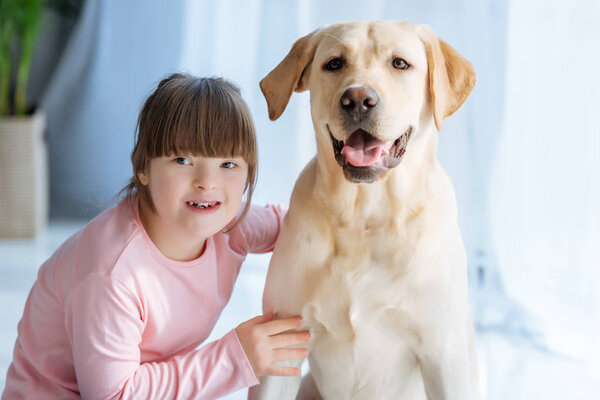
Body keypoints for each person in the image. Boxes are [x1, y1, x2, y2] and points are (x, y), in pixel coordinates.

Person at [2, 74, 310, 399]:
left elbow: (299, 223)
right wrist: (235, 358)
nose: (207, 182)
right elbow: (114, 395)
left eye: (229, 164)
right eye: (182, 160)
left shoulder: (230, 224)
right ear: (143, 168)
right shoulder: (113, 276)